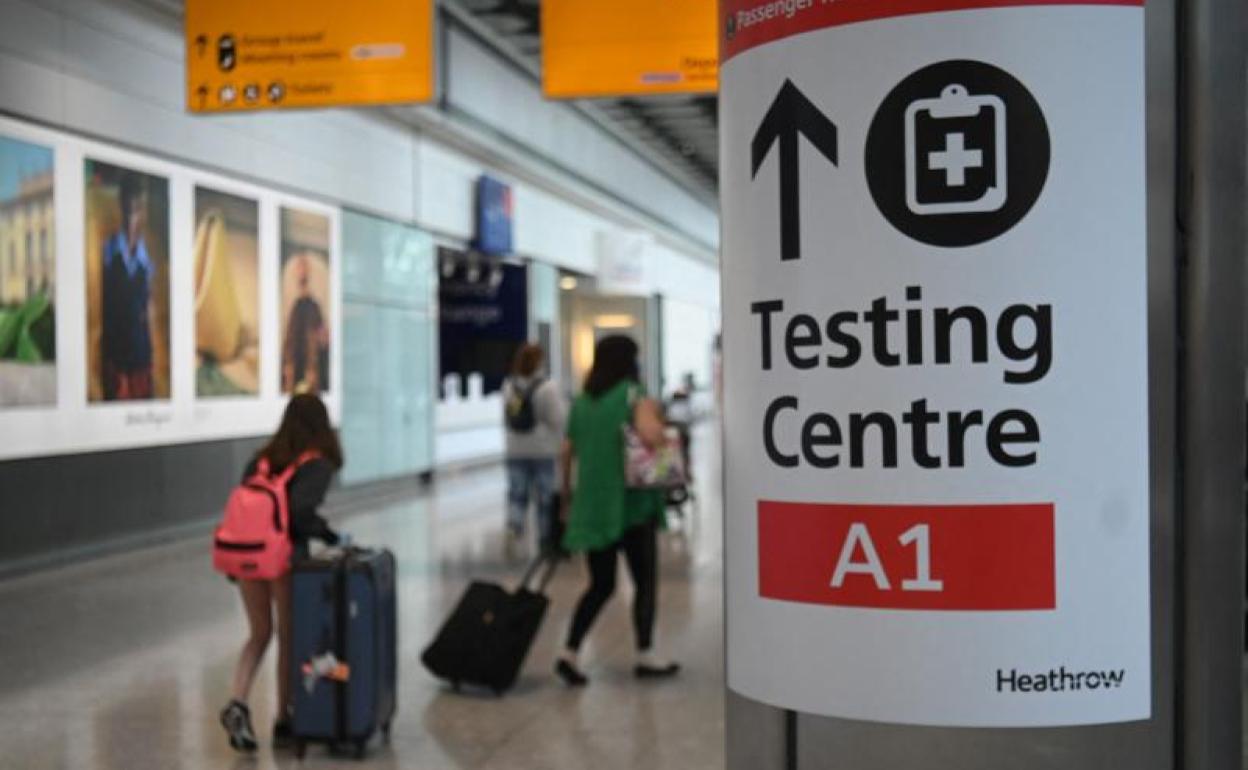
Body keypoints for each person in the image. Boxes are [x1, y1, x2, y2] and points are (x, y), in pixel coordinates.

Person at [220, 393, 343, 752]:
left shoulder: (260, 460)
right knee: (289, 637)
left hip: (247, 554)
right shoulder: (316, 464)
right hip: (283, 559)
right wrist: (329, 534)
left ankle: (238, 702)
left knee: (259, 634)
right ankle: (284, 717)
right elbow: (300, 512)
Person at [555, 335, 680, 686]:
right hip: (632, 506)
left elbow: (566, 452)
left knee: (600, 585)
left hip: (593, 507)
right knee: (645, 582)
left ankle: (569, 652)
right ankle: (645, 654)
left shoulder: (582, 402)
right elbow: (651, 435)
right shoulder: (633, 395)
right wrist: (660, 424)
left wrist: (566, 498)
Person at [502, 343, 567, 558]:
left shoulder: (509, 386)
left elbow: (507, 417)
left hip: (515, 449)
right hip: (543, 450)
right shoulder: (548, 387)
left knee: (517, 494)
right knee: (545, 497)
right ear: (540, 361)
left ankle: (514, 526)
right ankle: (545, 539)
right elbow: (558, 419)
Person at [101, 172, 155, 400]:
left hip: (140, 353)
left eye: (136, 210)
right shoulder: (108, 250)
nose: (131, 219)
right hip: (116, 356)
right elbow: (104, 306)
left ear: (142, 212)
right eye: (127, 210)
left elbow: (148, 309)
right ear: (121, 207)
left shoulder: (146, 260)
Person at [281, 254, 329, 393]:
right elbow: (290, 337)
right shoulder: (293, 305)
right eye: (299, 267)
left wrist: (313, 369)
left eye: (304, 266)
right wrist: (288, 365)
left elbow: (318, 338)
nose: (301, 270)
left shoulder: (314, 307)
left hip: (311, 369)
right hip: (295, 367)